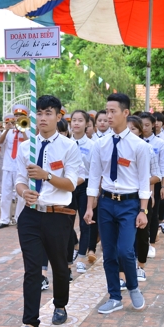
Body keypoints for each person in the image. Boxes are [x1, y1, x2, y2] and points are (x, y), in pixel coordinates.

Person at [12, 95, 82, 327]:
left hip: (57, 216)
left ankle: (60, 304)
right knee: (32, 270)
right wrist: (24, 192)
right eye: (39, 113)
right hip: (30, 216)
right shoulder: (25, 147)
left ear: (58, 116)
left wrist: (46, 175)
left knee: (60, 267)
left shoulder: (68, 147)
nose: (42, 118)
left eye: (48, 113)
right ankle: (30, 323)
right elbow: (19, 180)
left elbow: (72, 184)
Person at [85, 93, 150, 314]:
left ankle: (132, 287)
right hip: (106, 203)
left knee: (125, 251)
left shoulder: (139, 146)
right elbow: (94, 177)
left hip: (129, 204)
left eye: (113, 111)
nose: (108, 115)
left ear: (125, 113)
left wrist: (143, 210)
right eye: (106, 111)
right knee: (109, 253)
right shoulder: (100, 145)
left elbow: (144, 182)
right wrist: (89, 206)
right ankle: (114, 296)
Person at [127, 115, 161, 283]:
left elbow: (157, 176)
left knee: (142, 233)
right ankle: (125, 268)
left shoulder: (147, 149)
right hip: (124, 199)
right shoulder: (118, 149)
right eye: (128, 129)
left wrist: (142, 183)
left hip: (142, 198)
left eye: (133, 129)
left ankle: (141, 266)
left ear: (140, 132)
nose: (130, 132)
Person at [139, 112, 164, 258]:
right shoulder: (135, 142)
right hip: (137, 184)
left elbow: (163, 166)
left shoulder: (159, 143)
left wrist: (163, 186)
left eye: (147, 125)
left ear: (153, 125)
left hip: (154, 181)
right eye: (142, 125)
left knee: (152, 212)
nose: (144, 128)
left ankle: (150, 242)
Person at [70, 110, 96, 274]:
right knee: (66, 222)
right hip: (68, 186)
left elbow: (95, 171)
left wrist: (95, 195)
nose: (76, 123)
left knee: (85, 223)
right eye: (74, 120)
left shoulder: (93, 146)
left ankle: (81, 258)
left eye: (80, 120)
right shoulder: (65, 143)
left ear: (87, 123)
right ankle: (74, 246)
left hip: (86, 186)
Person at [0, 105, 30, 229]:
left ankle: (19, 219)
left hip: (20, 168)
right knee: (5, 193)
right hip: (8, 166)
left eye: (20, 116)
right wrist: (6, 130)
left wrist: (23, 131)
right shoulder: (9, 131)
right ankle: (4, 219)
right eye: (15, 115)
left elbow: (30, 146)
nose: (17, 118)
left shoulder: (28, 130)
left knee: (21, 195)